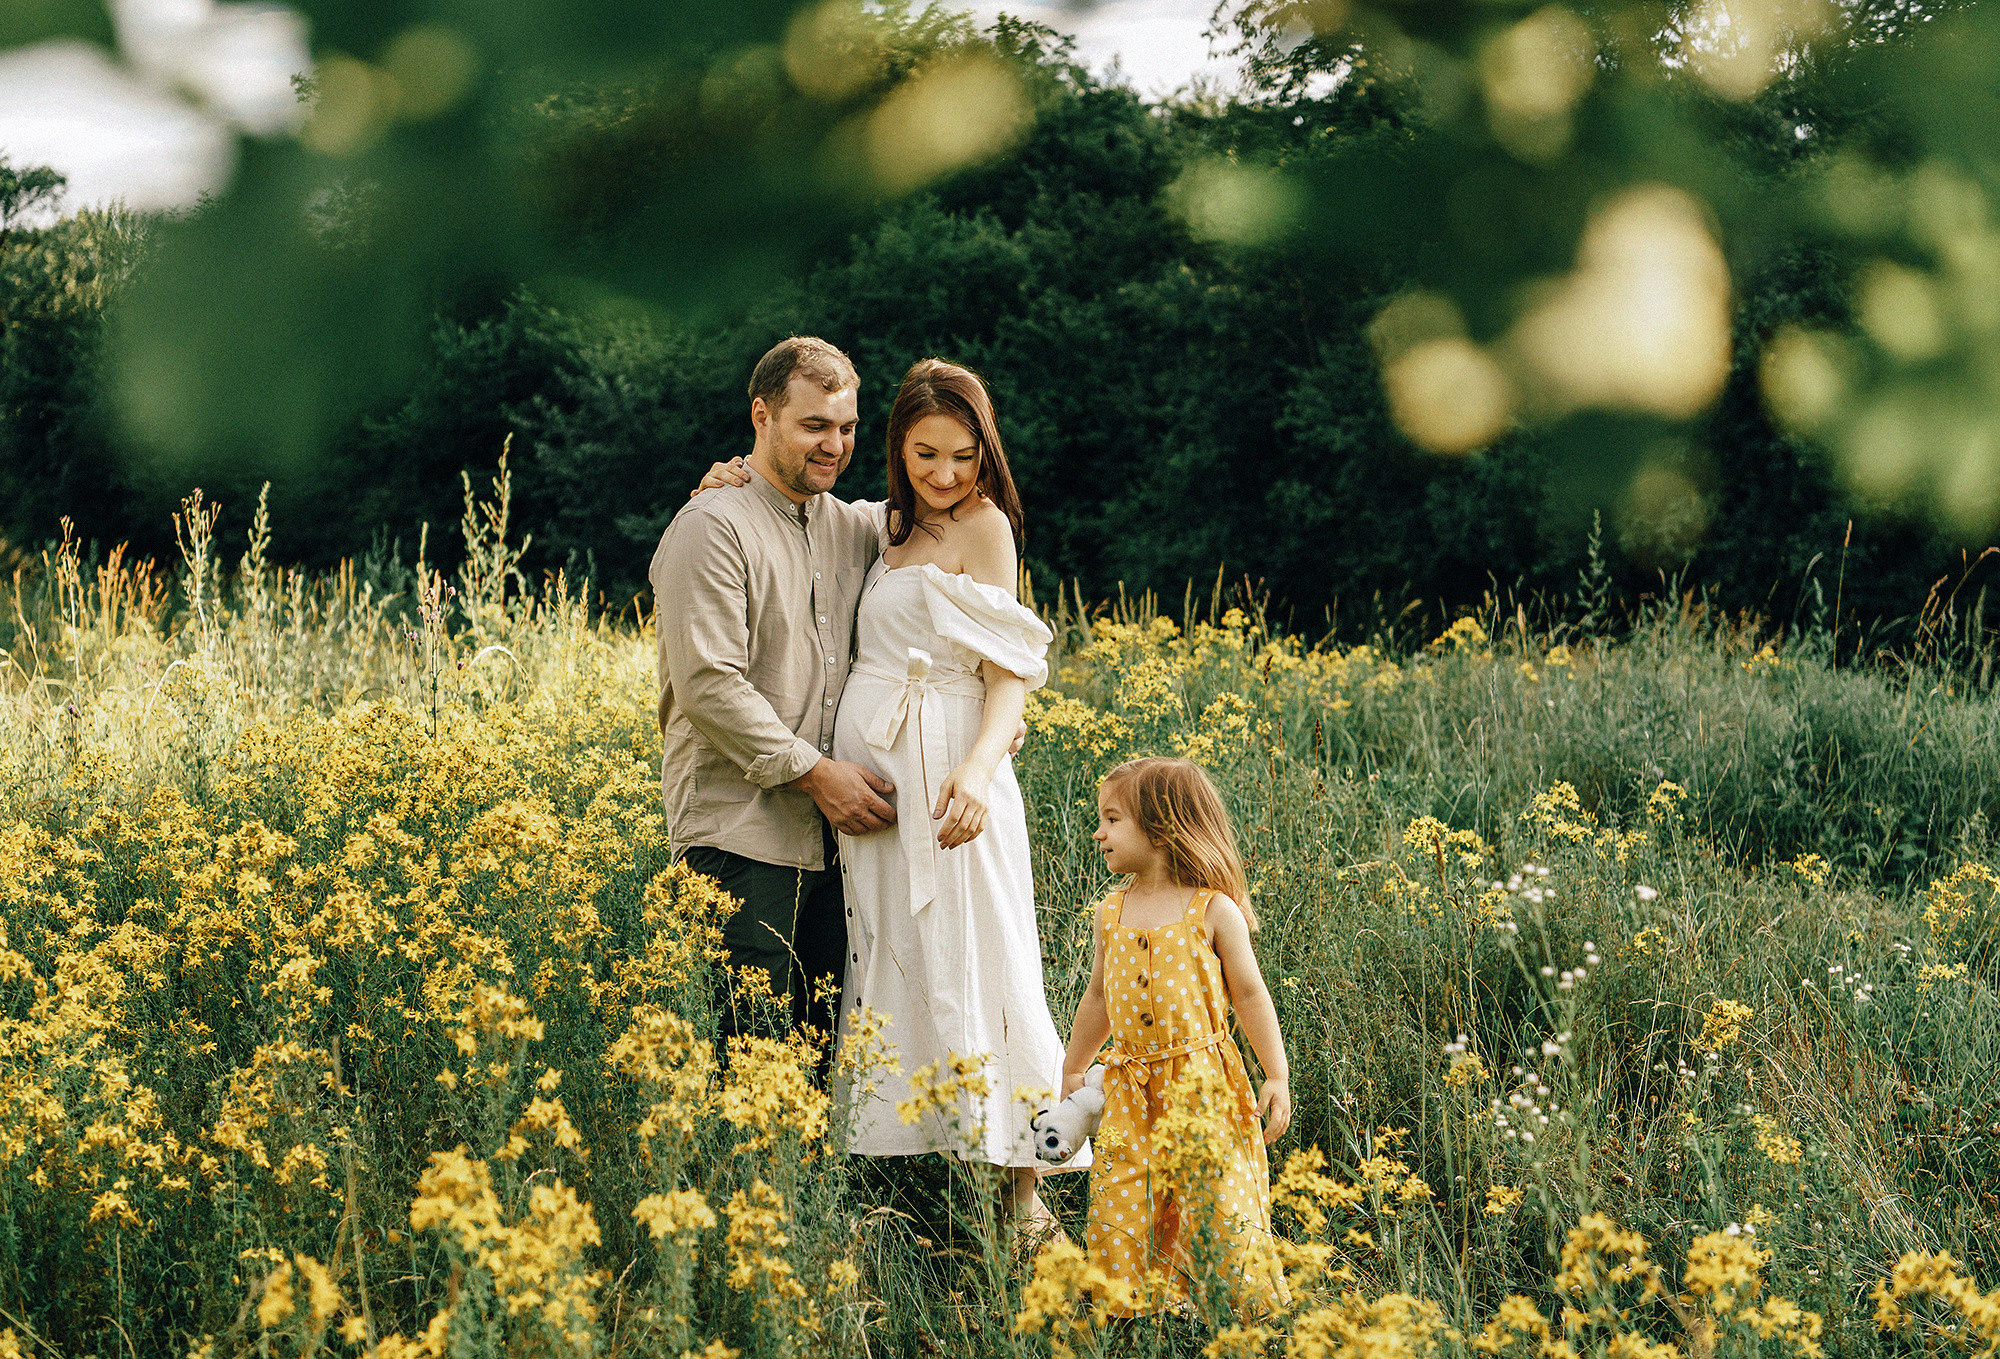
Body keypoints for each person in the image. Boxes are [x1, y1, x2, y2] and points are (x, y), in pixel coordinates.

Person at [694, 358, 1075, 1227]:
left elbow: (1010, 672)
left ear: (988, 457)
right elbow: (784, 500)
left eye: (964, 457)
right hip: (869, 805)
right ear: (897, 450)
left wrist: (977, 769)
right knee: (896, 965)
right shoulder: (883, 528)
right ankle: (915, 1161)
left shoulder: (983, 528)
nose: (945, 475)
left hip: (947, 792)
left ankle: (1024, 1195)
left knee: (985, 952)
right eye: (925, 454)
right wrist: (731, 475)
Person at [650, 336, 897, 1046]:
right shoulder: (712, 525)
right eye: (814, 425)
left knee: (824, 1058)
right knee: (748, 1055)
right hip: (739, 837)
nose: (835, 445)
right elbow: (709, 686)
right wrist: (819, 776)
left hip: (834, 844)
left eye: (847, 427)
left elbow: (950, 502)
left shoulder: (852, 526)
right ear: (762, 416)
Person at [1060, 756, 1291, 1315]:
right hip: (1130, 1088)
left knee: (1217, 1200)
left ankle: (1242, 1314)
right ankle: (1129, 1308)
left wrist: (1277, 1074)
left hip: (1203, 1084)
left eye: (1112, 819)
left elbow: (1250, 996)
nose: (1098, 832)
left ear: (1160, 830)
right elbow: (1098, 998)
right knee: (1125, 1198)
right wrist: (1073, 1066)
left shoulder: (1213, 911)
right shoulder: (1110, 912)